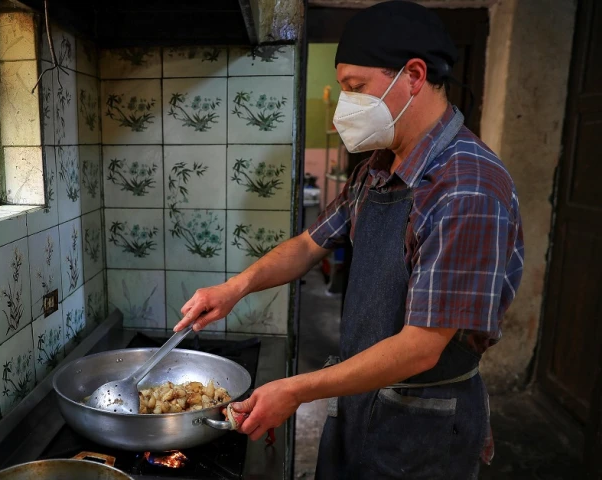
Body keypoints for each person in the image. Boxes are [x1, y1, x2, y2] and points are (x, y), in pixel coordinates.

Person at [172, 1, 525, 478]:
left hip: (424, 422)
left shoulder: (466, 186)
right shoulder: (378, 168)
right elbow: (308, 244)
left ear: (414, 75)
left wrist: (296, 390)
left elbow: (423, 346)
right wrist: (234, 288)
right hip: (361, 397)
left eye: (357, 88)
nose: (347, 106)